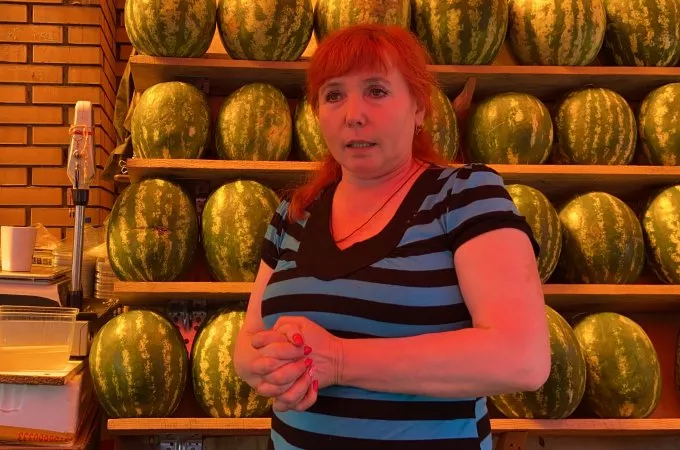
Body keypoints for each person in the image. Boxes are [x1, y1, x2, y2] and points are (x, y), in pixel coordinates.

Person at [232, 24, 551, 450]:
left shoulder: (465, 196)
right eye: (333, 95)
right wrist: (266, 366)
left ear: (419, 107)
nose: (353, 114)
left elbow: (522, 358)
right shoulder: (295, 214)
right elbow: (248, 343)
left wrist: (340, 361)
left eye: (377, 91)